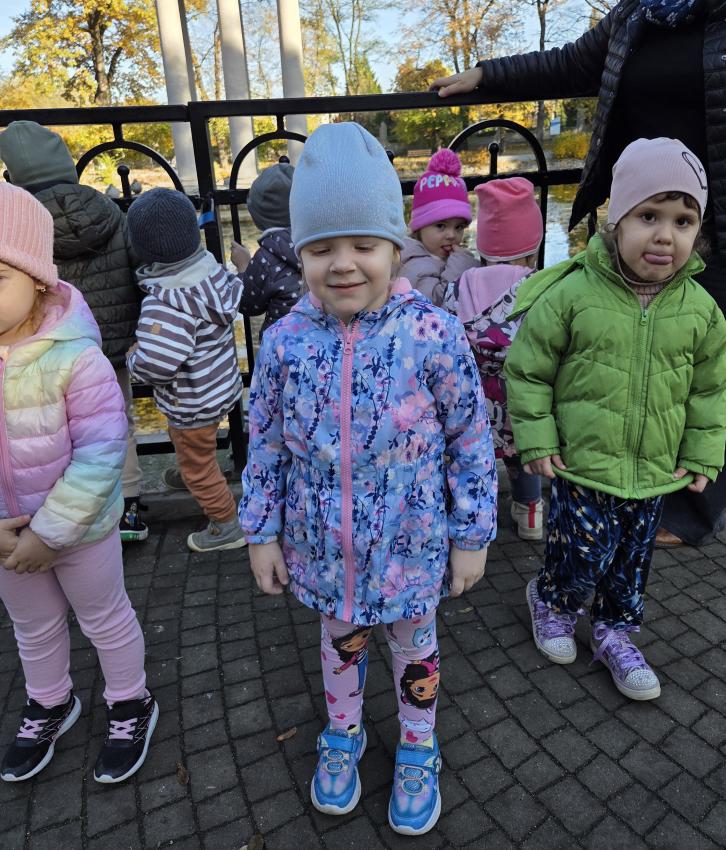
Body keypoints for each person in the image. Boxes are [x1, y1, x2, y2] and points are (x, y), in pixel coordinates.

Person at [239, 122, 497, 836]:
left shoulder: (433, 333)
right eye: (321, 248)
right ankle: (344, 730)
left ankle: (418, 743)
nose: (343, 264)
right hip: (326, 550)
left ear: (393, 247)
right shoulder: (284, 343)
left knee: (416, 650)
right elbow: (265, 444)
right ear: (299, 253)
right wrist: (260, 532)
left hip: (413, 548)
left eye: (363, 244)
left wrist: (473, 535)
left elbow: (470, 439)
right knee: (340, 643)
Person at [431, 0, 726, 547]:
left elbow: (712, 385)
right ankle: (614, 482)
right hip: (635, 214)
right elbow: (571, 62)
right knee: (620, 353)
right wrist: (488, 74)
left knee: (700, 360)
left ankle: (692, 501)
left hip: (709, 223)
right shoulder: (640, 11)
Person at [504, 139, 726, 701]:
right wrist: (537, 439)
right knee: (579, 550)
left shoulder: (701, 310)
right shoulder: (572, 293)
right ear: (615, 220)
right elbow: (528, 370)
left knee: (632, 559)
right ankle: (552, 602)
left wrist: (702, 453)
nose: (665, 235)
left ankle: (615, 631)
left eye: (683, 221)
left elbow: (710, 389)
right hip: (580, 463)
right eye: (649, 216)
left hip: (653, 469)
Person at [0, 183, 157, 784]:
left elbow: (101, 452)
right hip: (6, 537)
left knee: (105, 618)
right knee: (32, 626)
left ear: (38, 280)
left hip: (81, 528)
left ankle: (130, 700)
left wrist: (50, 532)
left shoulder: (75, 359)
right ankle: (50, 702)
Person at [0, 121, 148, 543]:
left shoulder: (19, 226)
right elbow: (135, 267)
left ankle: (45, 512)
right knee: (113, 424)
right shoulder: (107, 211)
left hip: (46, 343)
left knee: (43, 427)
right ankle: (127, 506)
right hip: (113, 344)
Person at [125, 188, 246, 554]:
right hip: (220, 386)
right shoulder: (210, 273)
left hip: (192, 401)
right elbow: (236, 289)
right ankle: (194, 467)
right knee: (195, 447)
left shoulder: (165, 303)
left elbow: (158, 364)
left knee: (198, 461)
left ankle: (226, 523)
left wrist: (134, 357)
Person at [443, 177, 544, 540]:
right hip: (523, 396)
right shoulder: (542, 288)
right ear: (534, 245)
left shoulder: (460, 286)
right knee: (524, 452)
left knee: (471, 455)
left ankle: (471, 515)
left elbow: (447, 341)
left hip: (475, 399)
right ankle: (529, 514)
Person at [229, 160, 302, 340]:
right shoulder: (319, 245)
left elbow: (248, 304)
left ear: (257, 216)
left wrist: (243, 268)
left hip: (281, 345)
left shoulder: (266, 257)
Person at [398, 148, 477, 306]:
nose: (451, 235)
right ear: (420, 227)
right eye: (441, 226)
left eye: (459, 227)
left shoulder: (441, 256)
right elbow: (435, 306)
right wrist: (461, 267)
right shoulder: (414, 263)